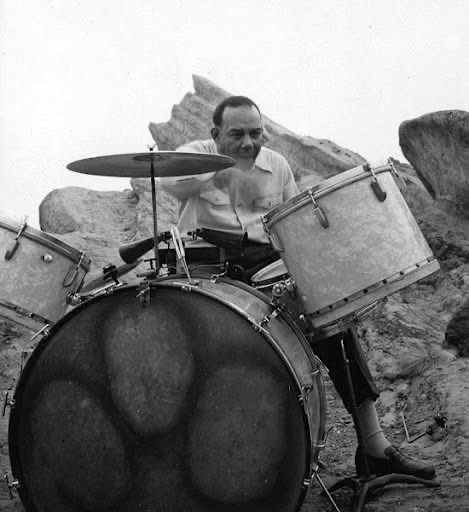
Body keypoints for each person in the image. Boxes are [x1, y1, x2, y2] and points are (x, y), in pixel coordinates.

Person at [160, 95, 435, 480]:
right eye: (236, 134)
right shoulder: (196, 155)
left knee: (332, 318)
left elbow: (295, 231)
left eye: (256, 134)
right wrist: (225, 164)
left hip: (264, 261)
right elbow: (171, 182)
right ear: (215, 133)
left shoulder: (276, 165)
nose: (248, 143)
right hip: (207, 267)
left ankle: (374, 446)